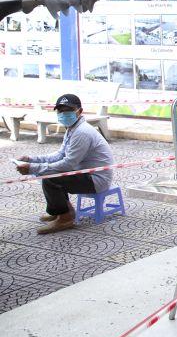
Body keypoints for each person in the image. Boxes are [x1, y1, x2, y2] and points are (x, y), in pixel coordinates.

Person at [15, 93, 115, 235]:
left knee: (50, 177)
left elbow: (68, 164)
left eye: (68, 110)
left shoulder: (82, 132)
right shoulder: (73, 129)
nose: (63, 114)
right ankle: (59, 212)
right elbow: (59, 155)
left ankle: (65, 217)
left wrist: (32, 168)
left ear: (79, 111)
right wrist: (31, 159)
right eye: (60, 111)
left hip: (96, 179)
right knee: (49, 174)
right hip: (84, 173)